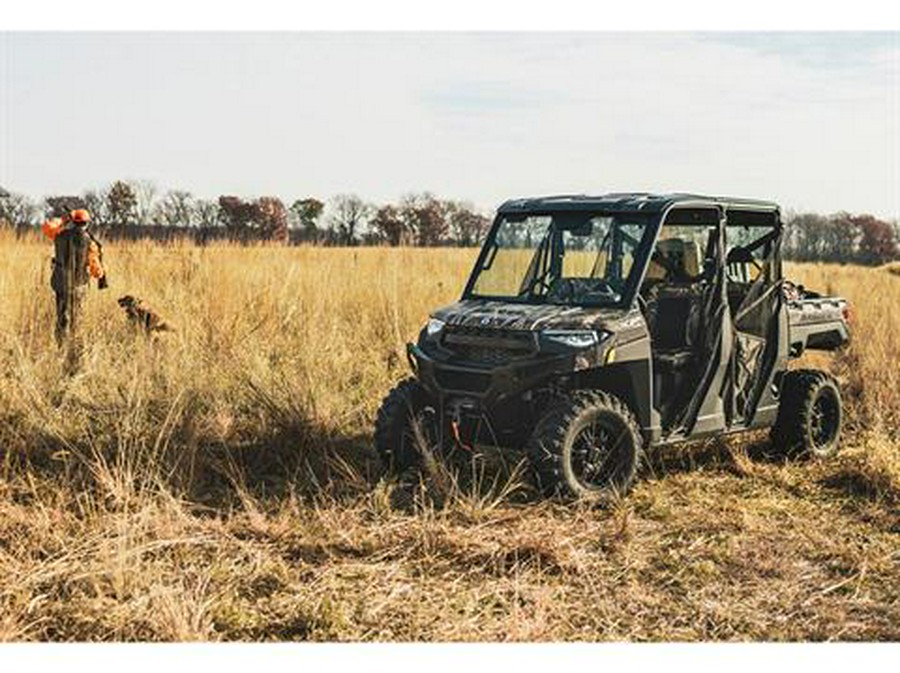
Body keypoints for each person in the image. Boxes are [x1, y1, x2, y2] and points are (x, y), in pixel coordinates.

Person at [41, 208, 108, 351]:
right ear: (87, 223)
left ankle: (60, 346)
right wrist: (101, 274)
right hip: (79, 286)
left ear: (72, 222)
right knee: (77, 319)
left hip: (60, 284)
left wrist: (63, 220)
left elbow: (47, 228)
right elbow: (97, 272)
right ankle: (74, 349)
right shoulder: (91, 243)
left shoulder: (59, 235)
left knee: (61, 317)